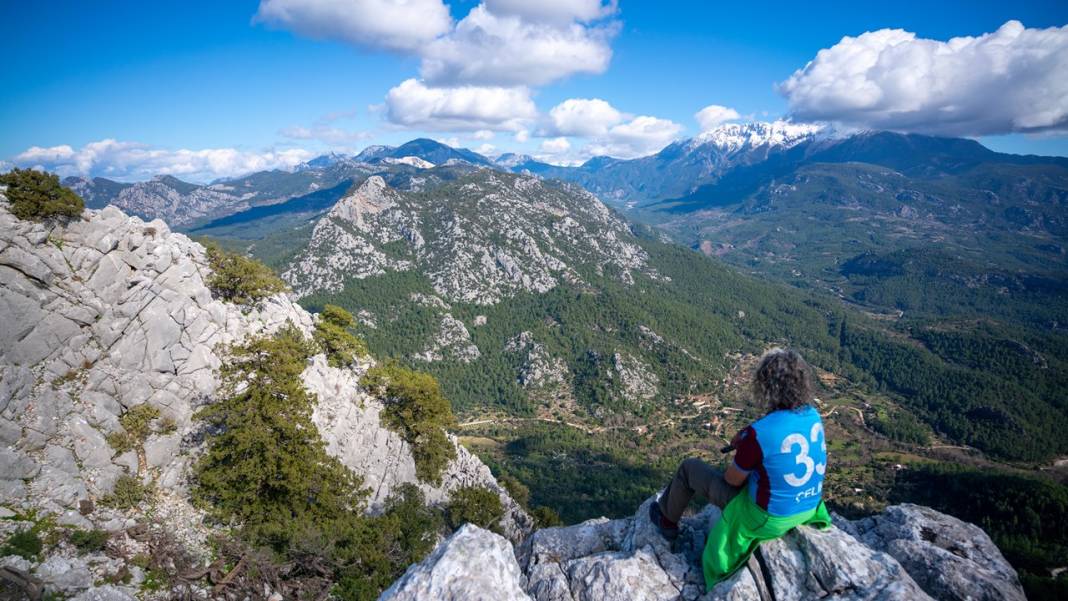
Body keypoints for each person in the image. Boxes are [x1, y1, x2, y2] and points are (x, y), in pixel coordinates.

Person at [648, 348, 832, 590]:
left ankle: (667, 522)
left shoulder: (760, 434)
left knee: (689, 468)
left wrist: (745, 449)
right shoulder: (813, 415)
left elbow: (732, 480)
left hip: (770, 518)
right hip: (809, 507)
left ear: (766, 387)